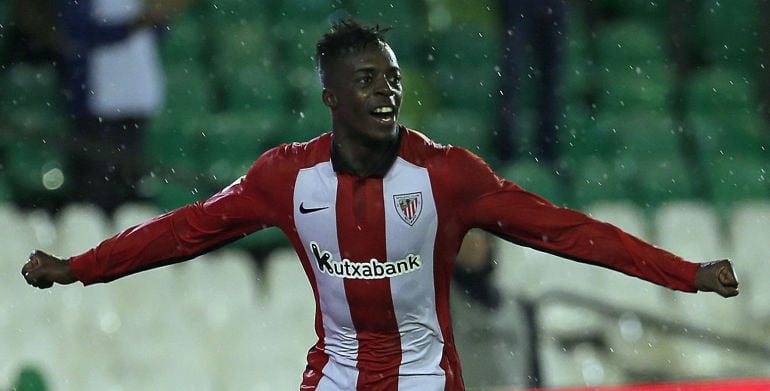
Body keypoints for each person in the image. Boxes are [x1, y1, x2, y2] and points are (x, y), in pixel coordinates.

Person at [21, 20, 739, 390]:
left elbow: (569, 232)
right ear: (332, 98)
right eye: (367, 81)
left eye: (391, 79)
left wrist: (685, 272)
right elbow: (180, 232)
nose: (386, 92)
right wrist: (79, 267)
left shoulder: (447, 176)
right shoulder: (285, 178)